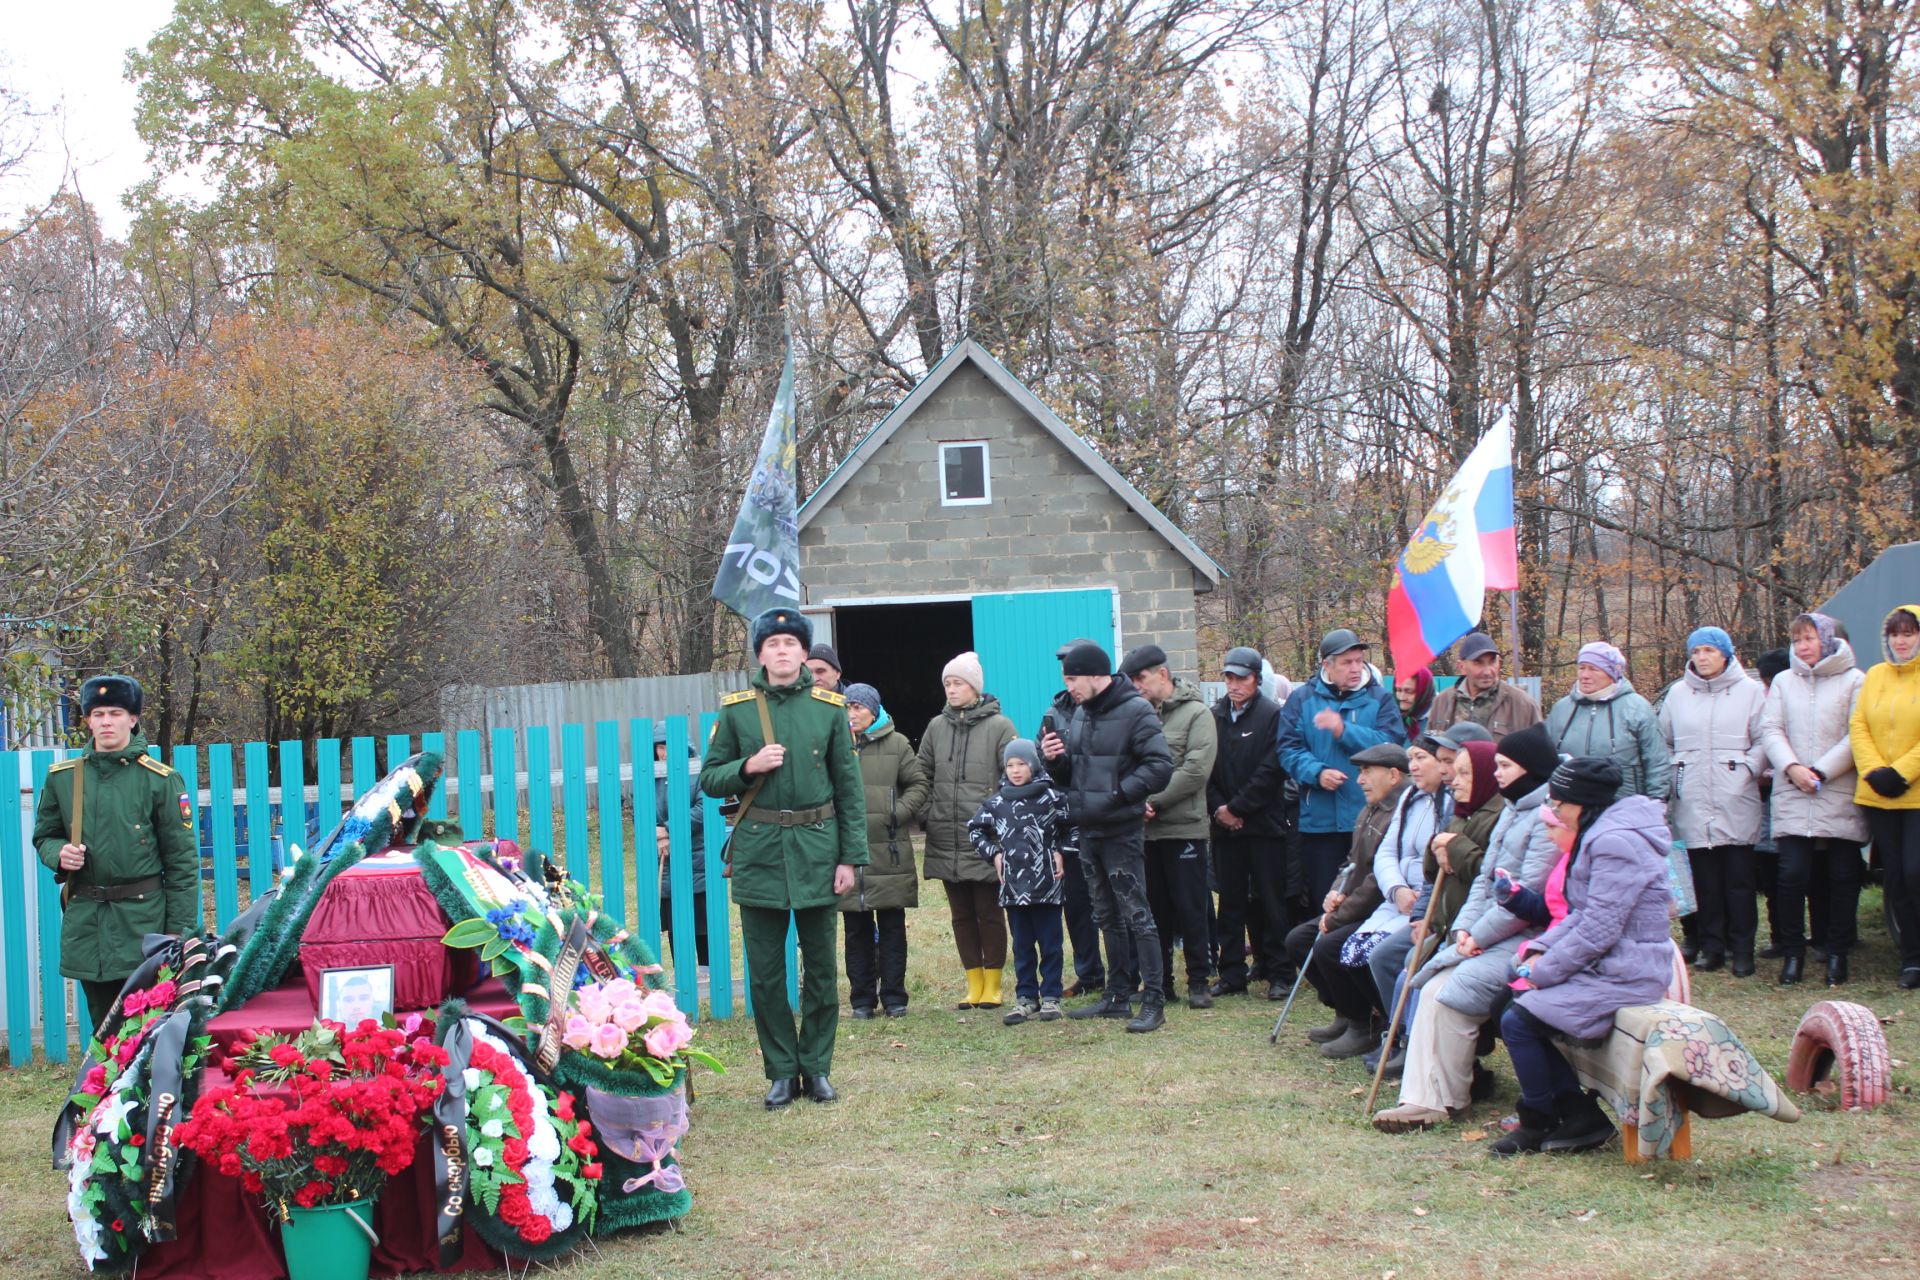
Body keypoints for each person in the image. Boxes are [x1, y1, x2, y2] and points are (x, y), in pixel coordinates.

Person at [699, 608, 867, 1109]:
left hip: (818, 849)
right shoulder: (736, 711)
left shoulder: (829, 708)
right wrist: (748, 766)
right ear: (760, 654)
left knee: (819, 969)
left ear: (803, 652)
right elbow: (710, 779)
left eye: (790, 643)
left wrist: (850, 859)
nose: (782, 651)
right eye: (772, 644)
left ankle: (816, 1068)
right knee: (767, 975)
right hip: (760, 854)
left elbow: (850, 791)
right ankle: (779, 1071)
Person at [1373, 724, 1561, 1130]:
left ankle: (1440, 1097)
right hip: (1484, 936)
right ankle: (1426, 1096)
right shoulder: (1514, 811)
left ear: (1529, 769)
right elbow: (1484, 882)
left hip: (1528, 941)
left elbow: (1525, 896)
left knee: (1448, 992)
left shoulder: (1545, 819)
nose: (1497, 774)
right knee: (1429, 985)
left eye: (1505, 766)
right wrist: (1464, 930)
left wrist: (1477, 936)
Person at [1493, 757, 1675, 1156]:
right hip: (1609, 963)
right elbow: (1582, 915)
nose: (1553, 812)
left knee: (1519, 1020)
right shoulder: (1603, 833)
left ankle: (1540, 1121)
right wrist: (1538, 951)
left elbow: (1600, 927)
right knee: (1512, 1003)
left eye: (1558, 804)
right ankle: (1577, 1115)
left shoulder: (1614, 842)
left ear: (1584, 803)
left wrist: (1545, 970)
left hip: (1627, 972)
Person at [35, 675, 198, 1028]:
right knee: (102, 1031)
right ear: (88, 720)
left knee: (146, 1030)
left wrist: (178, 934)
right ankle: (104, 1085)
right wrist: (59, 853)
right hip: (87, 924)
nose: (106, 721)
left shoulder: (160, 780)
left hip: (143, 924)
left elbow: (182, 864)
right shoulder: (64, 778)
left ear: (133, 719)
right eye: (97, 714)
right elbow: (45, 835)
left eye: (115, 713)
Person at [1041, 641, 1175, 1032]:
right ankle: (1117, 995)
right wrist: (1055, 761)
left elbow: (1160, 767)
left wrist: (1118, 795)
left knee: (1137, 914)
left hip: (1122, 830)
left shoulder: (1136, 710)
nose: (1069, 687)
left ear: (1096, 676)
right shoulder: (1082, 713)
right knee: (1105, 914)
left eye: (1073, 678)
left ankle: (1153, 1000)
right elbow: (1074, 777)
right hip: (1088, 829)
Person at [1367, 739, 1507, 1076]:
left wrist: (1454, 848)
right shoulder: (1458, 813)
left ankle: (1435, 1055)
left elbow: (1490, 876)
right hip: (1440, 919)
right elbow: (1433, 873)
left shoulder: (1498, 818)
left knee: (1410, 976)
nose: (1453, 779)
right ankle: (1404, 1040)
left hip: (1469, 929)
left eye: (1463, 773)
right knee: (1387, 959)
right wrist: (1421, 915)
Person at [1314, 737, 1452, 1059]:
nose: (1413, 767)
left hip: (1424, 902)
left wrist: (1414, 896)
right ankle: (1378, 1024)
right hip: (1397, 897)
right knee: (1347, 950)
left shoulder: (1448, 806)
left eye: (1422, 759)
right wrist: (1396, 889)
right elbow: (1384, 855)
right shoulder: (1410, 800)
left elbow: (1437, 863)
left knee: (1375, 954)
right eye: (1412, 759)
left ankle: (1399, 1034)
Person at [1760, 614, 1865, 986]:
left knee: (1841, 875)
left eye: (1809, 638)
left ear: (1827, 639)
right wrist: (1792, 767)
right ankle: (1793, 953)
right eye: (1797, 639)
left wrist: (1820, 772)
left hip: (1836, 788)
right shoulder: (1785, 682)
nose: (1803, 645)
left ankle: (1836, 951)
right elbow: (1770, 728)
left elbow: (1857, 735)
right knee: (1790, 875)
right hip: (1793, 789)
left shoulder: (1854, 680)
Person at [1658, 626, 1768, 976]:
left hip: (1735, 796)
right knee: (1703, 879)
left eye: (1709, 650)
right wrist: (1676, 774)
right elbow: (1664, 740)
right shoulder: (1678, 694)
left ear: (1725, 654)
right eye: (1696, 651)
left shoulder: (1750, 692)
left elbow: (1766, 738)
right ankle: (1711, 945)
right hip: (1691, 797)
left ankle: (1742, 949)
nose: (1702, 658)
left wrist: (1748, 770)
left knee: (1738, 879)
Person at [1284, 743, 1406, 1051]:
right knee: (1298, 940)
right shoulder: (1370, 809)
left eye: (1367, 772)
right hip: (1356, 905)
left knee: (1328, 946)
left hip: (1383, 910)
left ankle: (1363, 1023)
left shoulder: (1400, 813)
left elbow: (1378, 882)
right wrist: (1335, 892)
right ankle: (1345, 1010)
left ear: (1393, 775)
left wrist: (1338, 916)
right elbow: (1350, 863)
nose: (1360, 780)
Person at [1119, 644, 1220, 1011]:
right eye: (1131, 681)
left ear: (1162, 674)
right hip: (1145, 833)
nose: (1136, 686)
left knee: (1191, 907)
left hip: (1183, 830)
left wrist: (1152, 801)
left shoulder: (1196, 714)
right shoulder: (1136, 716)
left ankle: (1199, 981)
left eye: (1141, 679)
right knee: (1153, 909)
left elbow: (1195, 770)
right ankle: (1160, 983)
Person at [1277, 629, 1407, 907]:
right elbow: (1288, 749)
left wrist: (1343, 729)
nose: (1355, 668)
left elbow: (1392, 747)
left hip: (1372, 819)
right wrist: (1317, 772)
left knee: (1369, 902)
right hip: (1319, 823)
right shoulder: (1301, 700)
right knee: (1325, 902)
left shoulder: (1380, 699)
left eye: (1359, 661)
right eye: (1347, 662)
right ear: (1327, 665)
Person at [919, 651, 1017, 1010]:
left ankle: (993, 983)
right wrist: (929, 813)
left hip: (986, 839)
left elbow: (1013, 777)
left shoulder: (1000, 727)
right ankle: (972, 982)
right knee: (960, 915)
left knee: (989, 913)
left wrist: (998, 824)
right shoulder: (935, 727)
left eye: (957, 682)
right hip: (946, 837)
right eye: (947, 683)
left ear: (975, 687)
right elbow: (921, 774)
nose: (951, 689)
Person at [837, 683, 930, 1018]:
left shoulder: (897, 743)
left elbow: (919, 784)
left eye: (858, 708)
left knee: (892, 927)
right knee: (855, 930)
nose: (851, 714)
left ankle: (895, 998)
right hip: (850, 853)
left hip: (889, 850)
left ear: (873, 710)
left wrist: (897, 813)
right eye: (847, 708)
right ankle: (861, 1000)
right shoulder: (837, 745)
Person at [1208, 645, 1293, 998]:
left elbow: (1272, 769)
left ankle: (1279, 972)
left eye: (1241, 677)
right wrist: (1220, 809)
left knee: (1271, 902)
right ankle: (1231, 973)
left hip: (1263, 826)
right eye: (1229, 677)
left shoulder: (1273, 715)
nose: (1234, 684)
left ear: (1257, 679)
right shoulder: (1214, 716)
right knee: (1230, 903)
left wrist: (1238, 809)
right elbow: (1206, 768)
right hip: (1224, 828)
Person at [968, 740, 1071, 1024]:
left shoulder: (1052, 799)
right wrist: (995, 855)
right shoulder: (997, 802)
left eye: (1021, 764)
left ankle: (1051, 996)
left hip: (1048, 886)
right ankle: (1026, 997)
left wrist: (1062, 851)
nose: (1015, 770)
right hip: (1013, 889)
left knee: (1051, 944)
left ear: (1033, 765)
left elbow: (1073, 827)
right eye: (1009, 765)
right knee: (1022, 945)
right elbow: (975, 830)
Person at [1851, 605, 1920, 990]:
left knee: (1916, 872)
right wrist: (1875, 769)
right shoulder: (1875, 676)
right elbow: (1859, 724)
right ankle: (1911, 959)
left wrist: (1902, 772)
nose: (1901, 641)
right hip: (1880, 794)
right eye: (1895, 634)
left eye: (1909, 633)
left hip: (1916, 796)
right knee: (1894, 878)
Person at [1040, 641, 1108, 998]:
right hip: (1069, 822)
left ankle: (1127, 973)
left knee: (1112, 901)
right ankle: (1089, 973)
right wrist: (1048, 757)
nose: (1069, 679)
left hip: (1106, 817)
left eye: (1074, 671)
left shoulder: (1110, 709)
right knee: (1076, 902)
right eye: (1065, 672)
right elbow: (1047, 768)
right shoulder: (1054, 712)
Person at [1545, 641, 1671, 800]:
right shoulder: (1561, 709)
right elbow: (1546, 761)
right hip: (1571, 810)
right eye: (1582, 667)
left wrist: (1655, 804)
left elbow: (1657, 763)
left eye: (1593, 669)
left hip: (1623, 810)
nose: (1585, 675)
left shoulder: (1637, 708)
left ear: (1612, 674)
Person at [653, 724, 708, 967]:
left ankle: (707, 970)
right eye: (660, 747)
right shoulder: (651, 776)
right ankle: (682, 971)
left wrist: (668, 828)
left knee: (702, 920)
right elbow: (641, 812)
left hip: (697, 857)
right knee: (674, 919)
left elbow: (702, 810)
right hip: (666, 860)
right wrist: (659, 835)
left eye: (669, 747)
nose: (664, 753)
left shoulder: (697, 774)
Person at [1427, 632, 1543, 737]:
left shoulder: (1523, 704)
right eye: (1478, 662)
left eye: (1492, 661)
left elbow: (1541, 754)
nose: (1488, 671)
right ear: (1461, 667)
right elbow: (1430, 751)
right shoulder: (1442, 702)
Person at [1395, 667, 1436, 742]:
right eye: (1398, 690)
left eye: (1409, 691)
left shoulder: (1440, 719)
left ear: (1424, 692)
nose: (1402, 697)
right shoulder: (1389, 717)